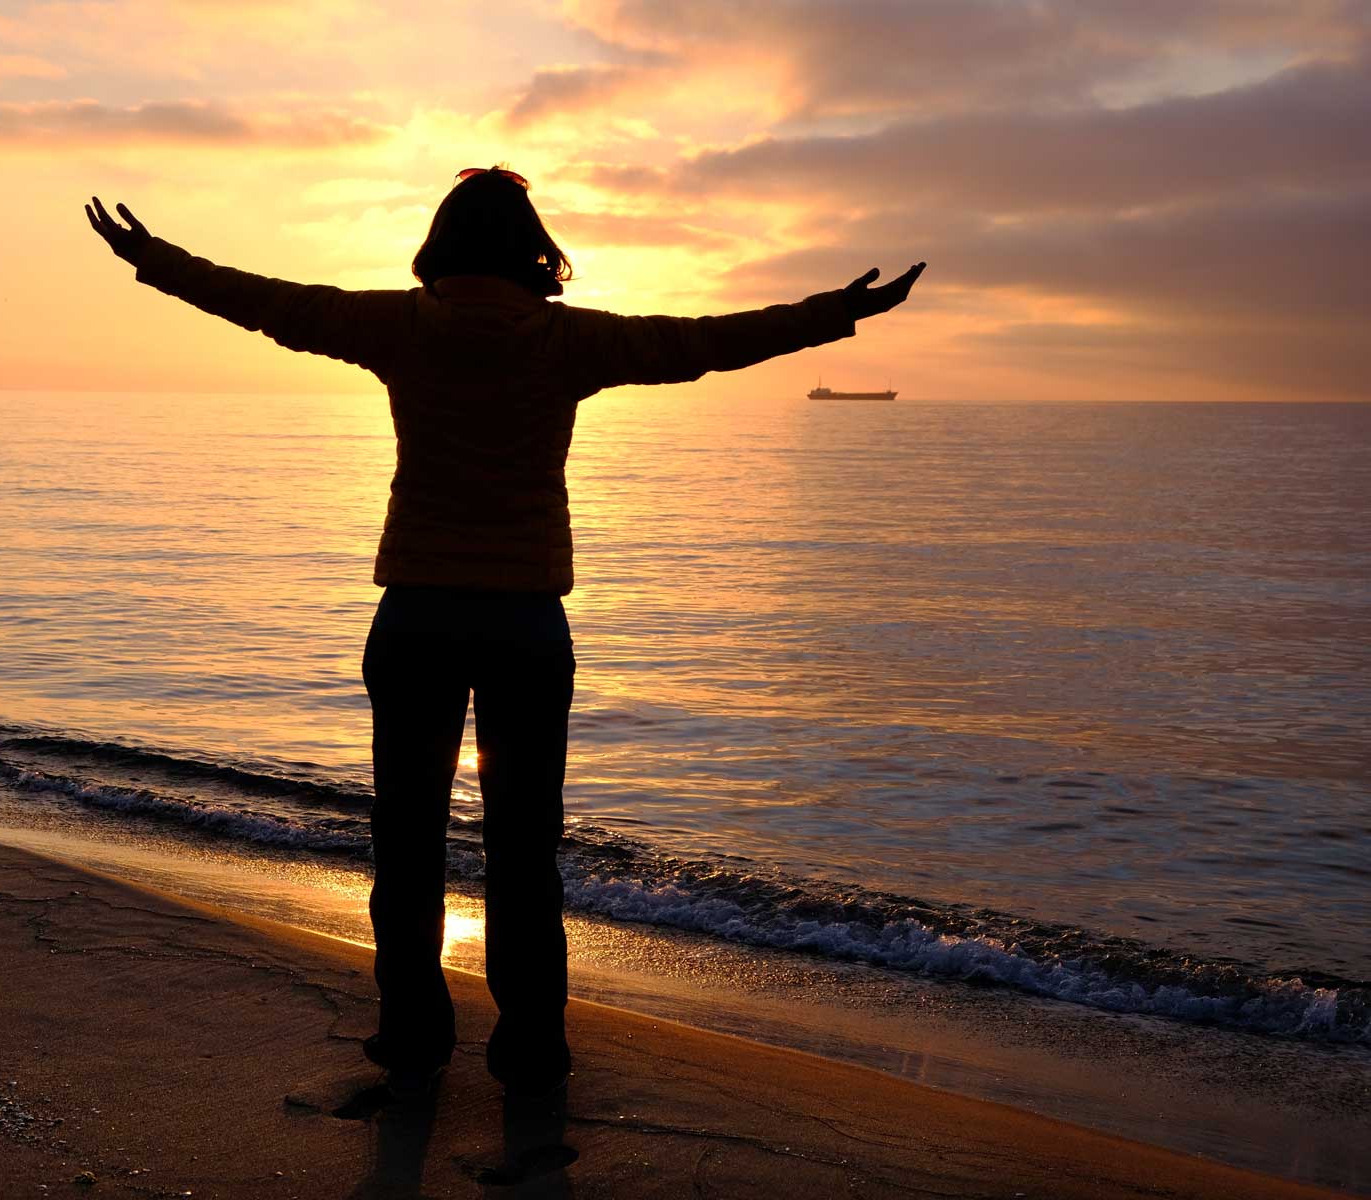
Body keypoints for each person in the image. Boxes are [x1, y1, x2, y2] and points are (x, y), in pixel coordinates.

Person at [85, 168, 924, 1099]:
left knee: (406, 842)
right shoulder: (564, 338)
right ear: (534, 247)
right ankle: (530, 1048)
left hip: (418, 614)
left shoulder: (402, 326)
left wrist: (152, 259)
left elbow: (266, 303)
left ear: (442, 244)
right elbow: (705, 345)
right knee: (525, 849)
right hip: (526, 620)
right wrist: (835, 311)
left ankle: (411, 1039)